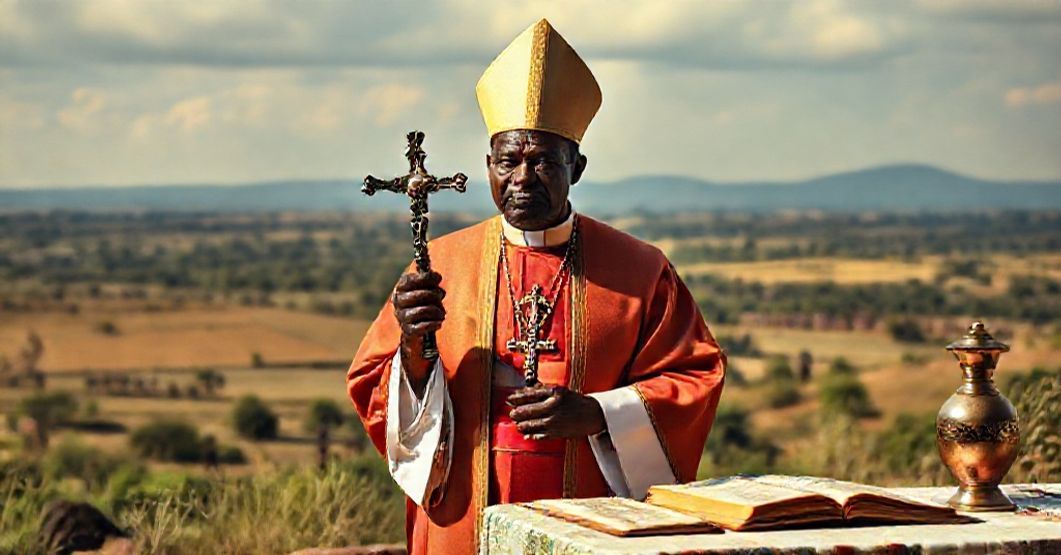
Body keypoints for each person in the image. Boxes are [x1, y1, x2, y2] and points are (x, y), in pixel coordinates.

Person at [347, 19, 726, 554]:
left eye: (544, 160)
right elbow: (372, 388)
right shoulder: (441, 266)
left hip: (590, 519)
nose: (523, 177)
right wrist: (411, 346)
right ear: (487, 167)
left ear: (578, 167)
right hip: (463, 513)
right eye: (509, 160)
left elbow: (694, 376)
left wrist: (597, 414)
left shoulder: (638, 271)